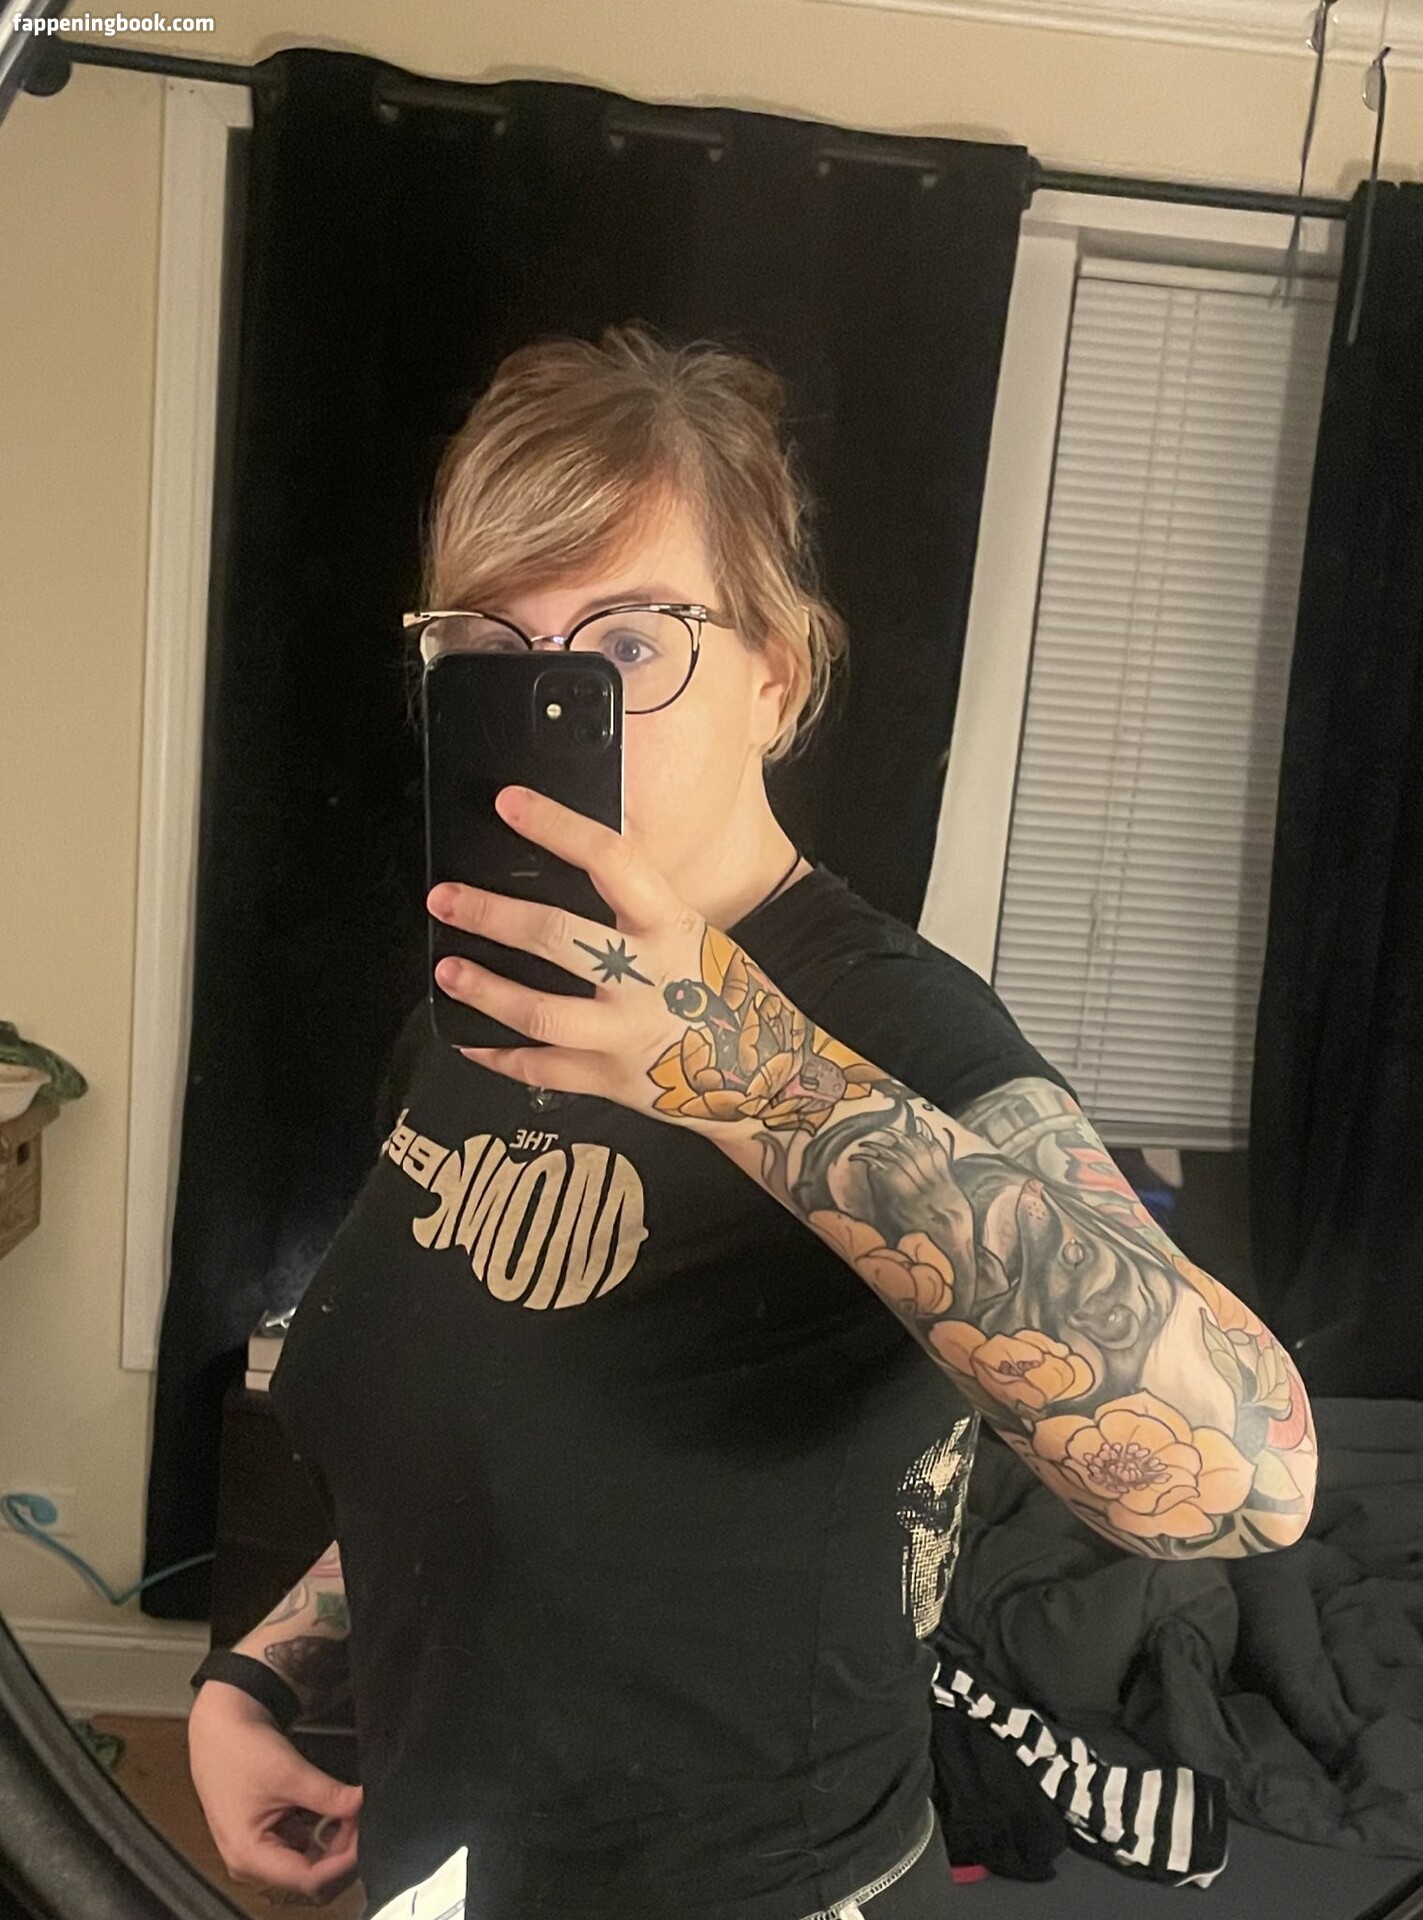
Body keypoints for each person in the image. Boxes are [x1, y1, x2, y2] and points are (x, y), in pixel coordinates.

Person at [186, 325, 1318, 1919]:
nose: (558, 695)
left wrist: (739, 1070)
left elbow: (1245, 1477)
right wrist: (264, 1673)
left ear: (775, 677)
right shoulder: (481, 1002)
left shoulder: (895, 1028)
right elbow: (459, 1436)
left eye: (629, 642)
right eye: (489, 648)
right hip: (446, 1863)